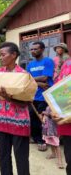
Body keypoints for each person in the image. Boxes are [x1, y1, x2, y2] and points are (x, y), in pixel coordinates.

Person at [0, 42, 31, 175]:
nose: (0, 58)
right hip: (1, 121)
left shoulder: (23, 75)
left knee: (21, 158)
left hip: (19, 123)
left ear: (14, 55)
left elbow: (26, 102)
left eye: (3, 55)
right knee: (3, 157)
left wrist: (8, 98)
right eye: (0, 55)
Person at [27, 41, 54, 151]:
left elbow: (45, 78)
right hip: (33, 95)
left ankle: (44, 140)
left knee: (43, 119)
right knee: (33, 117)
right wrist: (38, 83)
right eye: (31, 49)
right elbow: (26, 79)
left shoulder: (48, 61)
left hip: (44, 96)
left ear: (42, 49)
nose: (33, 51)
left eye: (35, 49)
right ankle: (36, 138)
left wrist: (33, 80)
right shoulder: (30, 64)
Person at [52, 44, 71, 175]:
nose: (58, 51)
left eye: (60, 49)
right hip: (66, 118)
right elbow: (60, 90)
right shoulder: (61, 65)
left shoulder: (68, 62)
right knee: (69, 158)